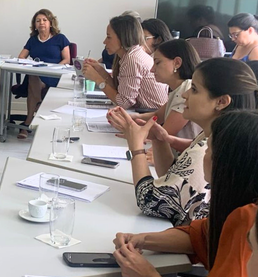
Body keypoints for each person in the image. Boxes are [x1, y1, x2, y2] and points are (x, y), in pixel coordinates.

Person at [112, 110, 258, 277]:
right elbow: (202, 236)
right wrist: (142, 239)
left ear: (226, 164)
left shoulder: (249, 219)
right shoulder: (238, 204)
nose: (203, 155)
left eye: (208, 151)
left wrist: (147, 276)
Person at [107, 57, 258, 226]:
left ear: (221, 102)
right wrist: (160, 140)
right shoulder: (208, 135)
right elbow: (171, 178)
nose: (185, 94)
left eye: (194, 89)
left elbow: (151, 202)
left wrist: (136, 148)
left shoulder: (208, 148)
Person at [83, 15, 168, 110]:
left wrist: (97, 79)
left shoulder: (133, 60)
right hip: (145, 112)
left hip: (150, 114)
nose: (104, 42)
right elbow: (120, 90)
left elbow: (124, 103)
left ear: (122, 38)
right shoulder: (130, 55)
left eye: (109, 37)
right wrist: (100, 70)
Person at [16, 9, 71, 139]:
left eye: (44, 20)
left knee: (32, 82)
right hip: (36, 74)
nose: (41, 23)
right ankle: (38, 106)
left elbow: (67, 59)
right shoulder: (33, 40)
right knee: (33, 77)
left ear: (51, 23)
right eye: (38, 21)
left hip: (54, 76)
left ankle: (28, 122)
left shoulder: (60, 38)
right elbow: (21, 57)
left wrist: (55, 69)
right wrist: (29, 64)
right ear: (34, 25)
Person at [135, 39, 202, 141]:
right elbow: (157, 116)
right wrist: (127, 117)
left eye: (157, 63)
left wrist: (129, 126)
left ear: (177, 63)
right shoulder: (178, 89)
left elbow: (164, 135)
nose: (152, 69)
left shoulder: (187, 88)